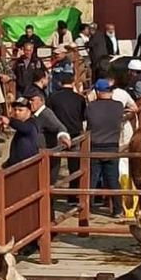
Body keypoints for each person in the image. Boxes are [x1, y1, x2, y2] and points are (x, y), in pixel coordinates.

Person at [25, 86, 72, 218]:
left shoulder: (46, 114)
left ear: (40, 100)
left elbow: (60, 127)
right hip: (41, 158)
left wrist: (63, 136)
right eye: (29, 100)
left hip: (48, 160)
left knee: (46, 190)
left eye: (32, 100)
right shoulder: (36, 114)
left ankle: (48, 219)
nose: (30, 103)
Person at [86, 79, 125, 218]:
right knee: (114, 180)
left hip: (95, 146)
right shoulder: (119, 106)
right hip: (112, 146)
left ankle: (86, 209)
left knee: (91, 179)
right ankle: (118, 209)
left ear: (96, 91)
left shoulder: (91, 107)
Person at [47, 73, 87, 202]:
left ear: (59, 83)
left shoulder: (53, 98)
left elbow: (49, 115)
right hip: (75, 134)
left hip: (57, 135)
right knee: (74, 166)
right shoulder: (79, 99)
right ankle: (73, 196)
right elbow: (83, 116)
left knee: (54, 166)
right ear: (73, 82)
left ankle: (50, 192)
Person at [0, 97, 41, 168]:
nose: (16, 112)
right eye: (15, 110)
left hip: (27, 168)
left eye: (20, 110)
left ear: (29, 111)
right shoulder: (21, 127)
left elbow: (24, 128)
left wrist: (9, 121)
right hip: (17, 167)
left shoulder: (31, 124)